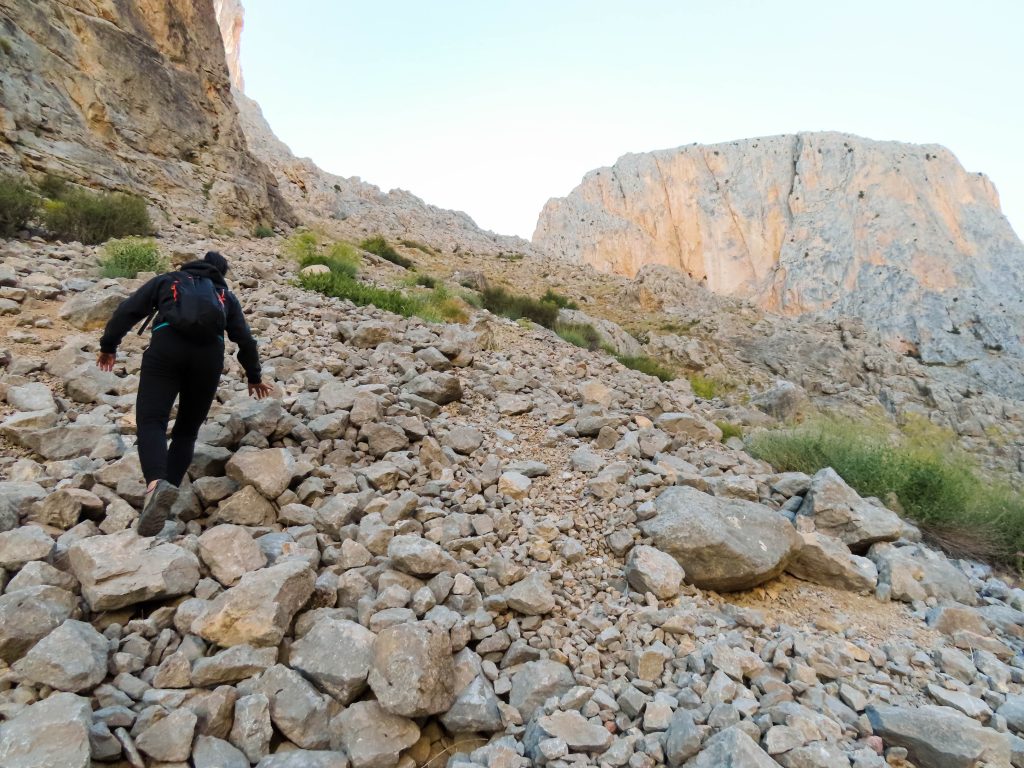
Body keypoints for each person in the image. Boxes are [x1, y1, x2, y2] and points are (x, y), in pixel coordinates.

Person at [97, 251, 271, 536]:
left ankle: (156, 485)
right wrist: (254, 376)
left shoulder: (169, 280)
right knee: (186, 431)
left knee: (152, 420)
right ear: (221, 273)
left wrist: (109, 345)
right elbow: (245, 339)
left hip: (167, 349)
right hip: (207, 358)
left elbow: (128, 310)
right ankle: (166, 497)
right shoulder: (224, 295)